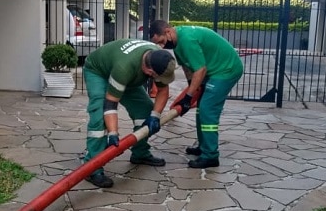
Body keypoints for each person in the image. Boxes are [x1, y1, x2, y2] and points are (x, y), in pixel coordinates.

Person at [149, 20, 243, 169]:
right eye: (158, 44)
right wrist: (191, 93)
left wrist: (188, 97)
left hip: (226, 70)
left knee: (207, 109)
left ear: (168, 31)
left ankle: (211, 156)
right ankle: (204, 146)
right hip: (214, 70)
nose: (162, 46)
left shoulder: (187, 40)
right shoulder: (177, 42)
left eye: (161, 41)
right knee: (201, 108)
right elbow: (188, 69)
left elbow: (200, 70)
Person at [82, 39, 176, 188]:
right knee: (99, 117)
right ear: (149, 72)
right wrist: (113, 133)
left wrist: (155, 116)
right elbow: (111, 104)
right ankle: (92, 168)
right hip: (98, 72)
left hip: (128, 76)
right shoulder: (124, 68)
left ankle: (140, 153)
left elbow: (163, 91)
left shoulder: (159, 58)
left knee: (145, 110)